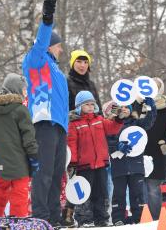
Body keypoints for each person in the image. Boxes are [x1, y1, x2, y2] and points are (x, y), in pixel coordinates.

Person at [22, 0, 69, 225]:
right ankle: (40, 217)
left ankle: (54, 218)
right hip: (44, 123)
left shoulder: (56, 70)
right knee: (45, 173)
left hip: (59, 126)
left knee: (57, 175)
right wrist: (47, 18)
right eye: (58, 45)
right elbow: (40, 41)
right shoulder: (36, 60)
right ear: (49, 45)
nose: (61, 49)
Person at [0, 73, 38, 217]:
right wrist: (34, 155)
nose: (26, 93)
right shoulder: (20, 110)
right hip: (18, 162)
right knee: (19, 194)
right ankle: (18, 223)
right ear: (16, 90)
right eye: (24, 89)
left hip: (0, 161)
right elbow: (28, 136)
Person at [67, 91, 123, 227]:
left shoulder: (99, 120)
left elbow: (112, 129)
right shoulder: (74, 123)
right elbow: (71, 143)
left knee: (101, 192)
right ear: (79, 106)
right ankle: (85, 219)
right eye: (87, 104)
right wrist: (72, 163)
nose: (91, 107)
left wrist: (118, 118)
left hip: (101, 164)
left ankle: (101, 218)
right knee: (85, 193)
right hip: (83, 166)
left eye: (92, 104)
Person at [62, 49, 102, 227]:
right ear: (72, 63)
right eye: (79, 61)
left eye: (85, 62)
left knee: (95, 178)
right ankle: (69, 213)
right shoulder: (66, 82)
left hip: (92, 133)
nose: (82, 65)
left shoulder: (92, 84)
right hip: (73, 131)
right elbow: (62, 106)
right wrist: (71, 116)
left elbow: (98, 108)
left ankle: (96, 214)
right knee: (76, 174)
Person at [110, 97, 156, 226]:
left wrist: (151, 108)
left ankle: (139, 217)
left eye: (127, 107)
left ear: (131, 110)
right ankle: (118, 218)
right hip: (119, 166)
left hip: (136, 165)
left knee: (137, 193)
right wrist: (117, 146)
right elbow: (107, 141)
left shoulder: (137, 123)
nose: (124, 109)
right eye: (121, 107)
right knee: (119, 193)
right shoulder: (112, 125)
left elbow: (149, 121)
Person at [142, 77, 166, 220]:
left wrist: (164, 142)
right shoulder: (139, 104)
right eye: (151, 86)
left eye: (156, 86)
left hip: (158, 150)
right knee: (139, 187)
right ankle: (140, 218)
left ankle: (155, 219)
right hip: (140, 150)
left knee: (153, 187)